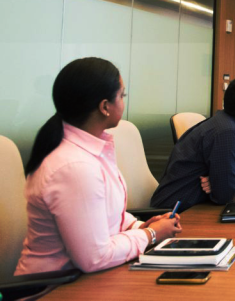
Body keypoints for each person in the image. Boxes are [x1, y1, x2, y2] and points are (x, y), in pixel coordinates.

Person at [16, 58, 181, 275]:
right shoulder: (74, 166)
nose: (124, 101)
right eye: (122, 96)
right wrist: (150, 234)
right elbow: (95, 257)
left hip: (88, 278)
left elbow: (106, 214)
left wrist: (138, 226)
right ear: (105, 106)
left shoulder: (92, 151)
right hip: (55, 288)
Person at [151, 74, 235, 212]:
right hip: (175, 213)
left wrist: (221, 182)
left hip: (195, 205)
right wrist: (224, 184)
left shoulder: (234, 125)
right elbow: (224, 194)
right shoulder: (227, 132)